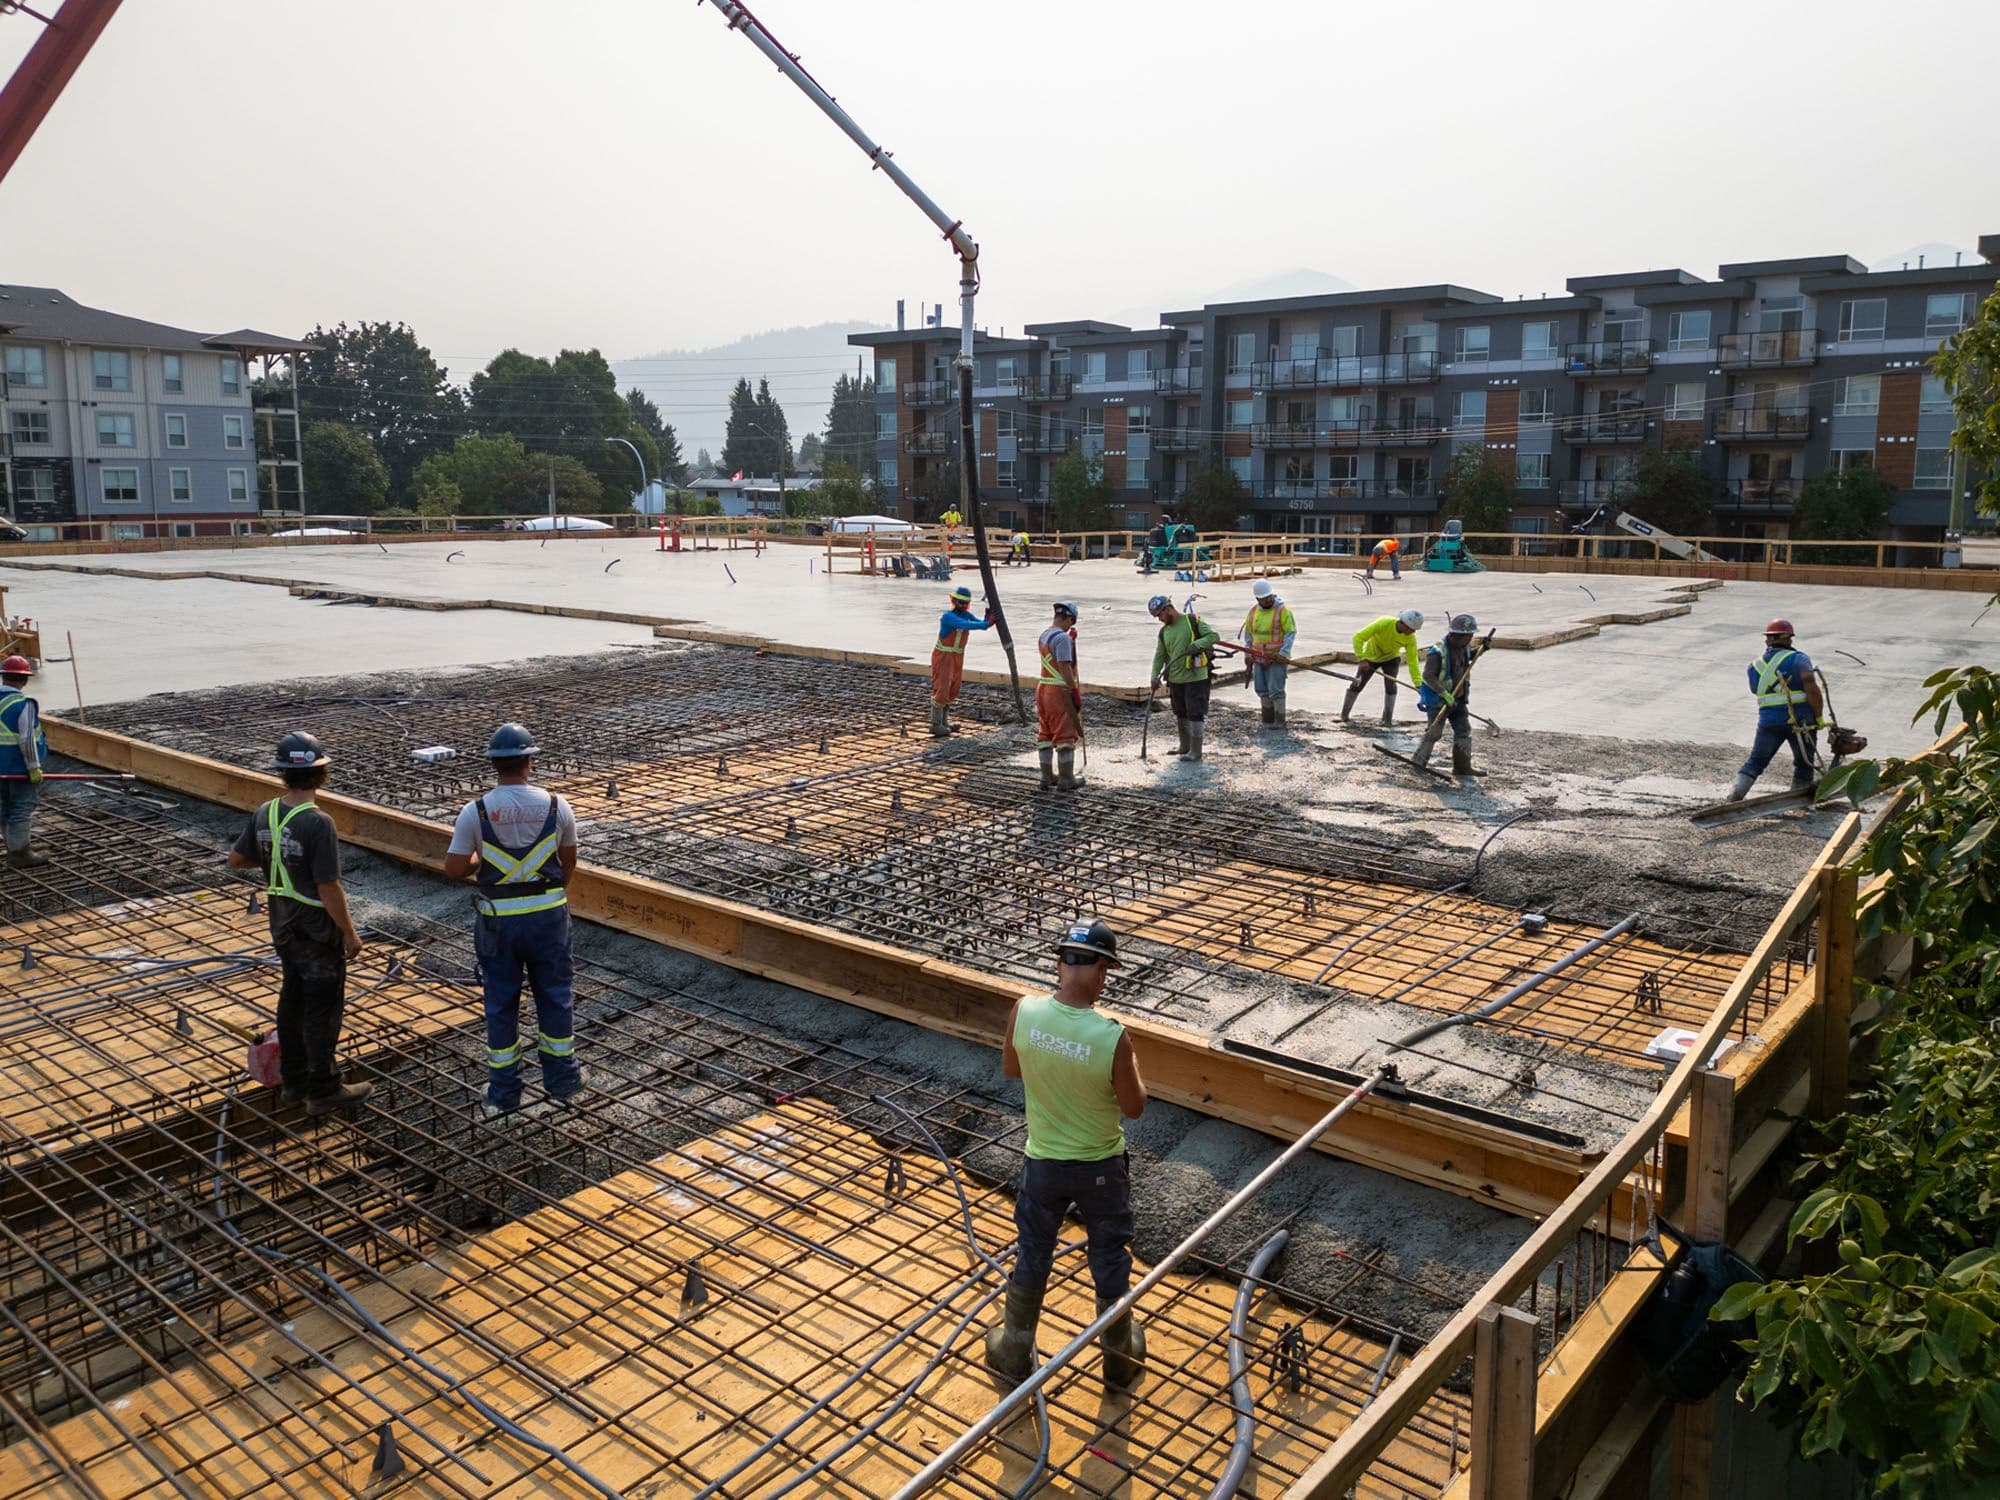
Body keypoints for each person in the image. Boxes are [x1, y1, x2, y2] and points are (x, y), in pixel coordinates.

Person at [985, 919, 1148, 1389]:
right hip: (1101, 1169)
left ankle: (1014, 1350)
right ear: (1100, 970)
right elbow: (1134, 1108)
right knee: (1109, 1256)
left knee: (1034, 1249)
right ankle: (1119, 1358)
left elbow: (1012, 1068)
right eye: (1105, 971)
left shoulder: (1025, 1011)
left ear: (1060, 964)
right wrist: (1130, 1063)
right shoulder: (1110, 1036)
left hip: (1044, 1165)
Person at [226, 732, 370, 1117]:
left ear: (283, 773)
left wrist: (281, 860)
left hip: (282, 925)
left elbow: (236, 860)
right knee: (323, 1008)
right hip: (315, 929)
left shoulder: (265, 813)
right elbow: (328, 885)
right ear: (321, 773)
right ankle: (324, 1088)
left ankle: (293, 1083)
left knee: (292, 1001)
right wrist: (350, 933)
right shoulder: (318, 822)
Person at [444, 724, 583, 1116]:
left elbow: (454, 868)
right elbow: (568, 861)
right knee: (555, 996)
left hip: (498, 924)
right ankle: (563, 1080)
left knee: (501, 1002)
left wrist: (484, 862)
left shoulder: (476, 811)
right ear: (529, 762)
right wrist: (550, 894)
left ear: (494, 764)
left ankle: (505, 1091)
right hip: (548, 919)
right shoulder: (558, 805)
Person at [1725, 619, 1824, 801]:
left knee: (1756, 761)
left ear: (1767, 640)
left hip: (1769, 722)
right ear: (1789, 639)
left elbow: (1756, 690)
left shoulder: (1754, 667)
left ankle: (1734, 796)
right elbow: (1810, 686)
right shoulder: (1799, 659)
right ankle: (1797, 800)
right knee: (1804, 763)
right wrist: (1819, 717)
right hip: (1801, 721)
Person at [1149, 595, 1221, 761]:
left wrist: (1198, 644)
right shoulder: (1164, 632)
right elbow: (1159, 655)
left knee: (1195, 713)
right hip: (1175, 678)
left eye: (1160, 615)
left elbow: (1213, 636)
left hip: (1196, 678)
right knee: (1180, 712)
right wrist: (1154, 675)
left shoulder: (1192, 621)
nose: (1160, 619)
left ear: (1168, 609)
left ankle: (1196, 751)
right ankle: (1185, 746)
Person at [1413, 613, 1482, 776]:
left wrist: (1481, 649)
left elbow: (1468, 657)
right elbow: (1428, 676)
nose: (1471, 639)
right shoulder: (1437, 651)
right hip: (1438, 700)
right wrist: (1444, 693)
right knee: (1434, 733)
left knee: (1463, 730)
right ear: (1457, 635)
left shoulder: (1462, 646)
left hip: (1458, 698)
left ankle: (1462, 767)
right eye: (1469, 636)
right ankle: (1418, 762)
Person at [0, 654, 49, 868]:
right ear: (25, 680)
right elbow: (27, 739)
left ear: (3, 677)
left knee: (3, 809)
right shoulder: (23, 703)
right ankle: (19, 854)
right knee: (20, 808)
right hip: (19, 768)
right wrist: (34, 768)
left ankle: (14, 848)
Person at [930, 584, 995, 737]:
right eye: (960, 602)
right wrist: (987, 623)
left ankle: (945, 722)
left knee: (953, 687)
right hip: (944, 656)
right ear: (954, 601)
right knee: (942, 687)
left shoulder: (966, 615)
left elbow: (979, 624)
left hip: (958, 656)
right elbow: (968, 625)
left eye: (965, 603)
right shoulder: (948, 617)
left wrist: (988, 616)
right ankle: (935, 724)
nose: (963, 605)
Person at [1343, 610, 1424, 725]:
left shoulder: (1410, 638)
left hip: (1391, 659)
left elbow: (1413, 661)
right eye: (1412, 629)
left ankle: (1387, 720)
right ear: (1403, 624)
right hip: (1370, 658)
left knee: (1391, 686)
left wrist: (1418, 683)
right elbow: (1358, 637)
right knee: (1357, 684)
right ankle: (1344, 715)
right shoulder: (1384, 623)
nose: (1413, 632)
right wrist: (1361, 659)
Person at [1035, 603, 1084, 791]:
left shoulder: (1045, 635)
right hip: (1058, 691)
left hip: (1043, 687)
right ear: (1070, 619)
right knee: (1065, 733)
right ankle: (1066, 779)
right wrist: (1074, 691)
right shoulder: (1063, 638)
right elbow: (1064, 667)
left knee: (1046, 732)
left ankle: (1046, 777)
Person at [1239, 580, 1298, 729]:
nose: (1266, 601)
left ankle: (1280, 721)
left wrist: (1283, 653)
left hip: (1276, 658)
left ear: (1272, 594)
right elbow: (1248, 635)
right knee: (1262, 689)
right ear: (1257, 599)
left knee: (1276, 690)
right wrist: (1247, 653)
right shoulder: (1253, 612)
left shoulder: (1282, 611)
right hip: (1258, 658)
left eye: (1268, 597)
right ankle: (1267, 719)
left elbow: (1290, 633)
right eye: (1262, 599)